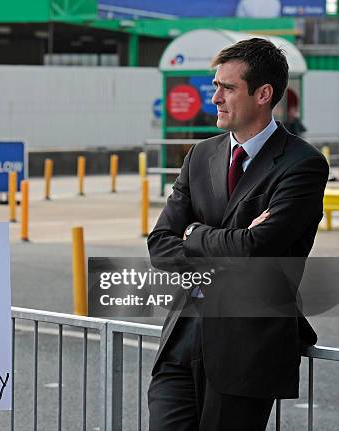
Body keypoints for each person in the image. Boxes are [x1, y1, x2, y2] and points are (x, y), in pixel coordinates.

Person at [147, 38, 328, 430]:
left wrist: (193, 234)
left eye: (227, 88)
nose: (214, 97)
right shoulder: (200, 155)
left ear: (263, 94)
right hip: (181, 338)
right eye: (215, 86)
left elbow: (257, 248)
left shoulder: (303, 165)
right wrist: (226, 243)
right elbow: (160, 244)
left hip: (247, 348)